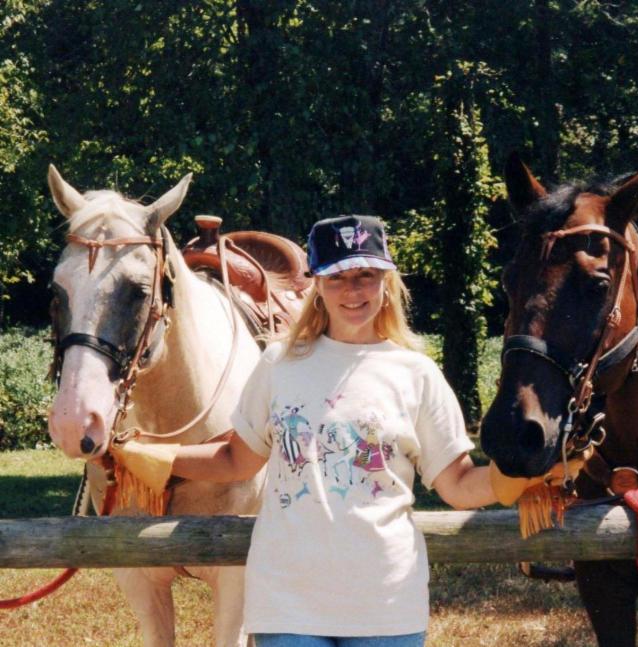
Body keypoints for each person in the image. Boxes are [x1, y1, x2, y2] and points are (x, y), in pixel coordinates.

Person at [118, 214, 497, 647]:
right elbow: (236, 459)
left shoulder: (417, 374)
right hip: (287, 603)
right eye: (336, 277)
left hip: (387, 603)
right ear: (316, 284)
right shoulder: (279, 364)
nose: (352, 291)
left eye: (366, 275)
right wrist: (156, 456)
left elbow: (459, 484)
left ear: (387, 282)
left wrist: (519, 479)